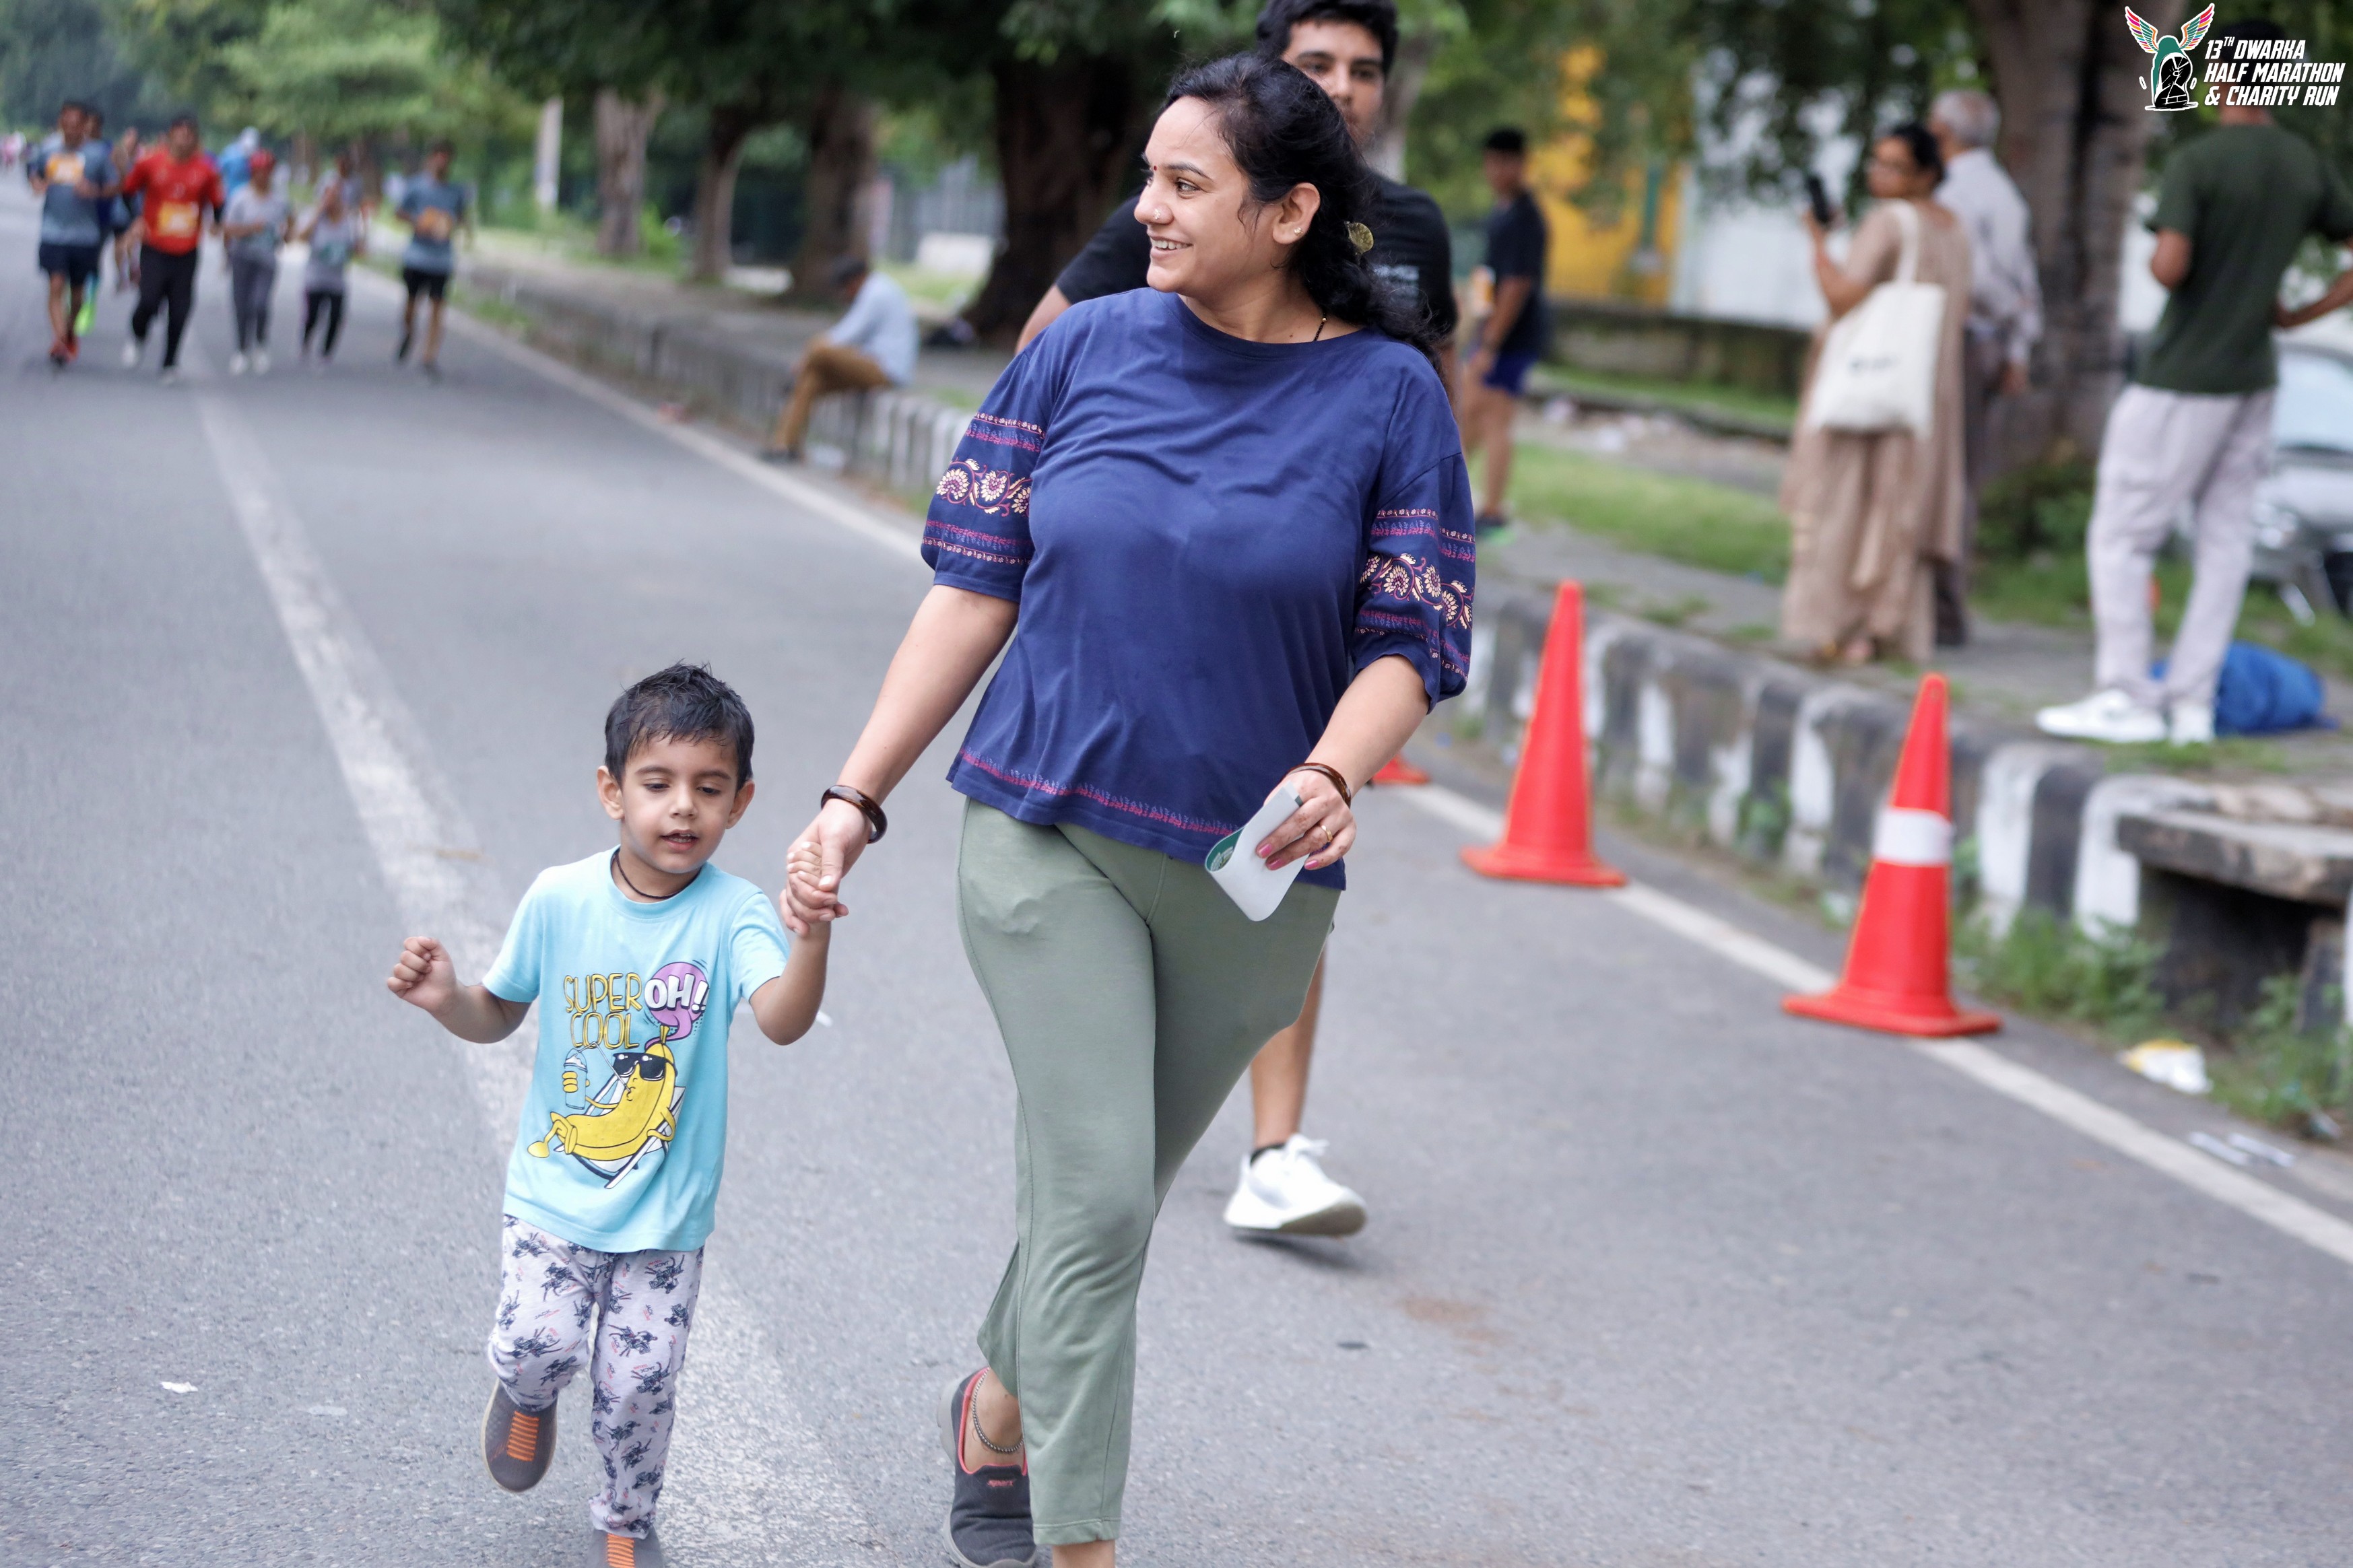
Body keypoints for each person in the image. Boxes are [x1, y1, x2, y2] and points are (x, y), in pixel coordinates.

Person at [783, 53, 1470, 1568]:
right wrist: (853, 796)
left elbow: (1409, 636)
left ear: (1288, 213)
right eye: (1146, 177)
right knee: (1097, 1200)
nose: (1145, 209)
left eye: (1184, 185)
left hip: (1249, 881)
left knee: (1096, 1209)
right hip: (1044, 831)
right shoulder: (1082, 350)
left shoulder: (1388, 395)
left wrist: (1333, 769)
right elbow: (973, 593)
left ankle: (994, 1405)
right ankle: (1078, 1537)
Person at [1014, 0, 1461, 1242]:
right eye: (1316, 63)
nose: (1345, 86)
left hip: (1308, 625)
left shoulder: (1411, 230)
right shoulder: (1182, 205)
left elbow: (1435, 388)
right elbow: (1048, 347)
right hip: (1147, 654)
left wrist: (1416, 533)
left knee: (1280, 859)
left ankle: (1272, 1141)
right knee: (1102, 1158)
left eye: (1363, 68)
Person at [386, 664, 831, 1568]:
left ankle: (626, 1520)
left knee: (640, 1381)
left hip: (664, 1213)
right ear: (612, 791)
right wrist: (447, 1001)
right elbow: (497, 1011)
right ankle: (526, 1394)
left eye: (709, 787)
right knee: (536, 1344)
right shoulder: (560, 896)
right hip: (554, 1192)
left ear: (741, 802)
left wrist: (812, 936)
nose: (682, 807)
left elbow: (782, 1020)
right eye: (657, 783)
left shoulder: (735, 912)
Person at [2037, 22, 2353, 747]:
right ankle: (2190, 704)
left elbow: (2169, 268)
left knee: (2122, 534)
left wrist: (2167, 246)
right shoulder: (2302, 163)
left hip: (2183, 376)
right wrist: (2299, 314)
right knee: (2224, 544)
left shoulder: (2199, 161)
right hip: (2253, 376)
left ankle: (2125, 694)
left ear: (2222, 78)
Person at [1779, 124, 1970, 665]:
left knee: (1847, 503)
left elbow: (1842, 297)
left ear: (1926, 174)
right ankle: (1886, 628)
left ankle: (1840, 628)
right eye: (1877, 163)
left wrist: (1819, 243)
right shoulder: (1954, 229)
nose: (1880, 176)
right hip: (1923, 394)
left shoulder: (1888, 222)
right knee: (1899, 509)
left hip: (1870, 388)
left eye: (1894, 166)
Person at [1927, 89, 2042, 648]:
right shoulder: (1999, 192)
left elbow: (1989, 280)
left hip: (1966, 340)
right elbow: (2024, 278)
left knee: (1947, 475)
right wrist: (2018, 344)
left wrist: (2010, 321)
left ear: (1942, 131)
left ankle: (1942, 608)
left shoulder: (1959, 193)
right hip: (1979, 340)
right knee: (1953, 473)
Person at [1461, 127, 1548, 536]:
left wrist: (1490, 343)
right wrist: (1477, 325)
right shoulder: (1501, 213)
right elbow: (1488, 277)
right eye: (1491, 163)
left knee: (1495, 418)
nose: (1496, 171)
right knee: (1469, 413)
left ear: (1521, 164)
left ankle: (1494, 511)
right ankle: (1449, 495)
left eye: (1504, 163)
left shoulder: (1526, 219)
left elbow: (1516, 286)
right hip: (1491, 333)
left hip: (1511, 338)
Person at [762, 254, 917, 458]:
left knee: (819, 349)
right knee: (810, 382)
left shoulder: (877, 292)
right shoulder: (876, 289)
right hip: (870, 361)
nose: (846, 294)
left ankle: (798, 375)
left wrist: (807, 357)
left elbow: (847, 334)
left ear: (857, 279)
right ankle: (785, 446)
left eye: (846, 288)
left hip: (886, 369)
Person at [120, 114, 224, 384]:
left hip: (187, 249)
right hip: (155, 245)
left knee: (180, 308)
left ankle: (170, 361)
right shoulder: (150, 163)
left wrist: (217, 222)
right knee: (149, 300)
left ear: (196, 140)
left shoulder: (206, 170)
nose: (184, 140)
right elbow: (128, 191)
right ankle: (138, 335)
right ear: (169, 136)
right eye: (180, 134)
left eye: (190, 135)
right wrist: (136, 219)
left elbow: (217, 202)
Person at [26, 99, 117, 368]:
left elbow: (115, 186)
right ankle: (60, 340)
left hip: (85, 235)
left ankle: (69, 331)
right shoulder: (48, 148)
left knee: (77, 294)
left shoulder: (97, 155)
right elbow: (33, 170)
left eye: (76, 124)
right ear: (60, 122)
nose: (71, 129)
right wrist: (37, 183)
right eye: (66, 123)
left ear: (85, 126)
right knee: (55, 284)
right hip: (53, 231)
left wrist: (95, 191)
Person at [396, 139, 469, 376]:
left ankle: (429, 356)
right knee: (411, 305)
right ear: (431, 159)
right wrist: (419, 222)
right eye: (438, 156)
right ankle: (409, 332)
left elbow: (461, 217)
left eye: (446, 157)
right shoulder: (416, 186)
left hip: (441, 259)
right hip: (417, 256)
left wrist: (452, 224)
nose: (441, 162)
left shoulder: (456, 191)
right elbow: (399, 212)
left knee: (438, 307)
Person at [221, 149, 290, 376]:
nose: (263, 176)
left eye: (267, 171)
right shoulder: (241, 197)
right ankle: (241, 349)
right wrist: (250, 229)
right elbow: (228, 228)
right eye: (259, 171)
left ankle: (261, 343)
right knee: (241, 305)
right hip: (242, 257)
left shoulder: (279, 200)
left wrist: (285, 235)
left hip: (267, 259)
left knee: (260, 303)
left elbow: (289, 223)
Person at [299, 178, 364, 366]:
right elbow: (301, 236)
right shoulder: (315, 216)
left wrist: (364, 223)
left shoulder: (349, 220)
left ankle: (326, 352)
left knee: (336, 316)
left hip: (337, 279)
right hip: (315, 276)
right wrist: (318, 212)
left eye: (336, 196)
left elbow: (360, 249)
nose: (332, 201)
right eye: (329, 196)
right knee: (312, 315)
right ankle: (306, 341)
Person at [108, 125, 144, 292]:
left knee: (131, 241)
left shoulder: (142, 159)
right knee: (119, 242)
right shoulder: (117, 156)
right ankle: (120, 273)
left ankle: (132, 265)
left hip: (136, 204)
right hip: (119, 206)